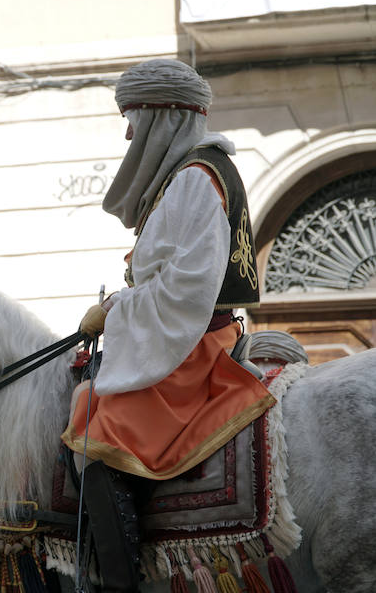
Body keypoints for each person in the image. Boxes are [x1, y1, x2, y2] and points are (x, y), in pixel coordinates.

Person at [60, 58, 275, 591]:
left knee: (94, 429)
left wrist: (113, 312)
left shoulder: (196, 179)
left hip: (197, 346)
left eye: (132, 118)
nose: (128, 132)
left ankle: (122, 580)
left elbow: (186, 291)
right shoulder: (189, 175)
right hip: (182, 337)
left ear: (160, 118)